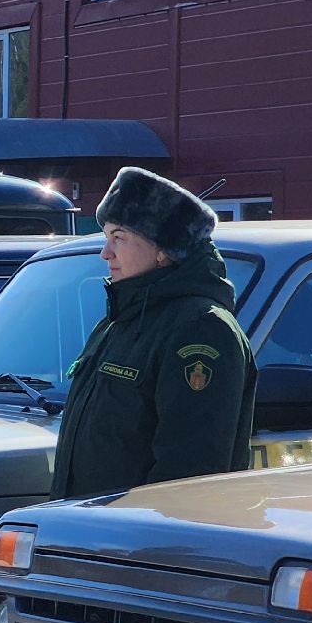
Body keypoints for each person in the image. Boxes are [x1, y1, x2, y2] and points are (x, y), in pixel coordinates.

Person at [50, 167, 257, 500]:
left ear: (164, 250)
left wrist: (136, 541)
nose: (106, 253)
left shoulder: (201, 329)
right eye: (106, 238)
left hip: (138, 543)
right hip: (87, 535)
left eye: (119, 238)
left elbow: (189, 473)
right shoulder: (120, 321)